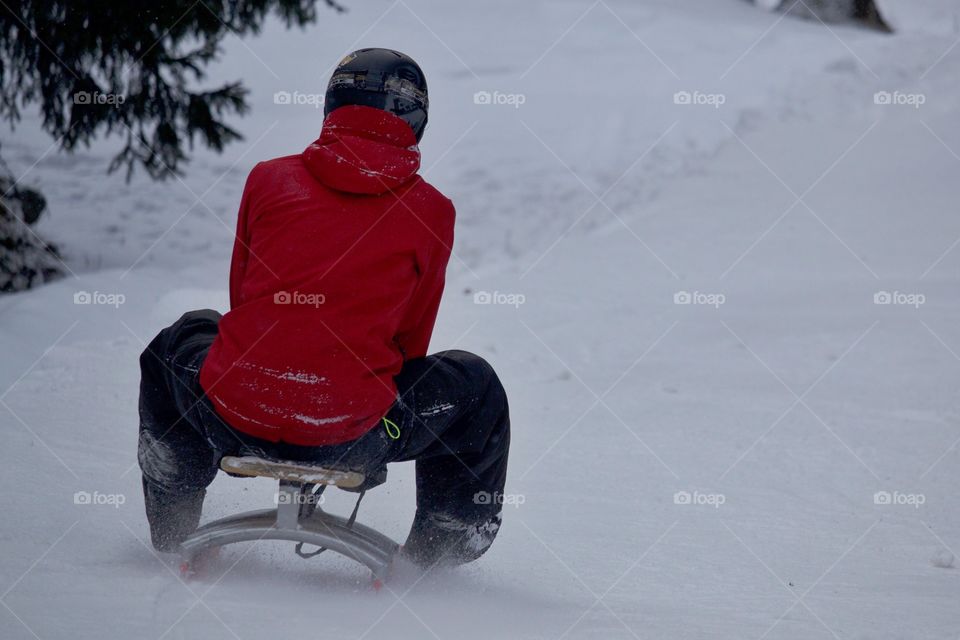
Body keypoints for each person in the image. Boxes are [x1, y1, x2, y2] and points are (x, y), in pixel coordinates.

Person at [137, 48, 510, 568]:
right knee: (475, 386)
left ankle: (173, 524)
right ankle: (436, 558)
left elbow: (243, 301)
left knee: (183, 338)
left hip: (231, 414)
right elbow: (410, 343)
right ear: (417, 120)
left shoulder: (269, 179)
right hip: (356, 434)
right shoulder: (432, 212)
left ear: (333, 103)